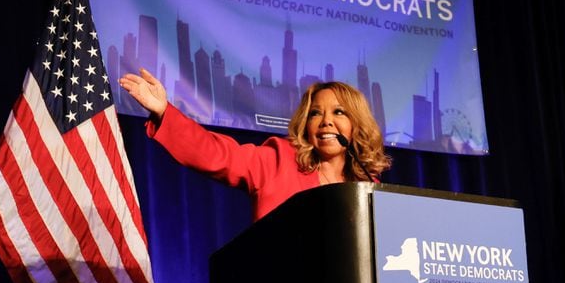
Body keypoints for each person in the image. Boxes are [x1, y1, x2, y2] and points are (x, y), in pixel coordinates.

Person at [118, 68, 392, 221]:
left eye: (339, 112)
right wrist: (165, 111)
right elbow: (216, 154)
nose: (326, 122)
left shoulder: (369, 186)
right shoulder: (277, 161)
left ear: (357, 124)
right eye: (315, 113)